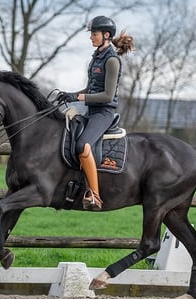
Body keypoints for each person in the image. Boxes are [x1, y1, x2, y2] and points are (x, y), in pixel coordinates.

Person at [58, 16, 135, 211]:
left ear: (106, 35)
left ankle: (95, 195)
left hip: (104, 113)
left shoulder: (112, 60)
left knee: (83, 145)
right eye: (92, 34)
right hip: (91, 112)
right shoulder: (96, 57)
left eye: (94, 34)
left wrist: (81, 99)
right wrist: (71, 95)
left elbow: (107, 96)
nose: (91, 37)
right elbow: (89, 89)